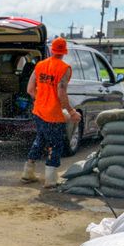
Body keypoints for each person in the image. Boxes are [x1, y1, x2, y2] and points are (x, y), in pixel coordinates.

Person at [22, 37, 80, 188]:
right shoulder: (64, 68)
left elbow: (29, 89)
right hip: (53, 115)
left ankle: (28, 171)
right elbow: (61, 93)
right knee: (55, 145)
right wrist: (72, 111)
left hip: (39, 111)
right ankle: (51, 179)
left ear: (52, 50)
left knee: (40, 139)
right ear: (64, 52)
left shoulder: (40, 65)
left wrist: (41, 99)